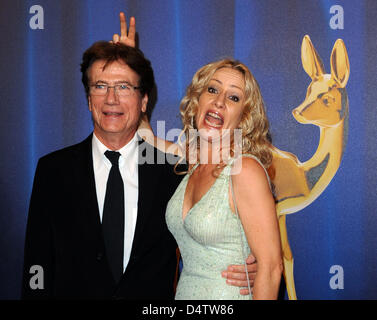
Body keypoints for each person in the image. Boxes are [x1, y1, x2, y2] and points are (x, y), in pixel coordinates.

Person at [22, 37, 256, 298]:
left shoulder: (174, 172)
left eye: (124, 87)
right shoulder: (53, 171)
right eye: (100, 86)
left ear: (144, 101)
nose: (111, 99)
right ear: (89, 99)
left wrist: (253, 264)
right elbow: (37, 266)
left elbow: (207, 239)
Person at [113, 13, 283, 300]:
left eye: (233, 97)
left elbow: (270, 268)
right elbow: (143, 138)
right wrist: (131, 66)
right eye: (212, 89)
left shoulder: (245, 170)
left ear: (243, 117)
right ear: (197, 100)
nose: (219, 101)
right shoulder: (190, 160)